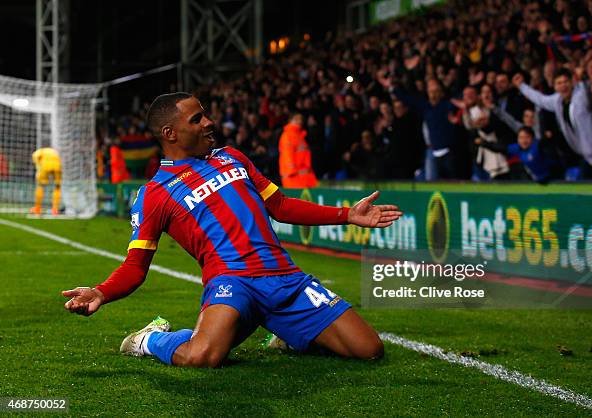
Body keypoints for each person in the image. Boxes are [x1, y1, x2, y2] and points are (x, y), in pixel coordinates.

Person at [62, 93, 402, 368]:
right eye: (197, 119)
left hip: (285, 277)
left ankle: (287, 331)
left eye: (205, 114)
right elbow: (136, 266)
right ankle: (149, 339)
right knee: (201, 356)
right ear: (170, 133)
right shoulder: (154, 194)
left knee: (368, 349)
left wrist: (347, 214)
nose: (209, 122)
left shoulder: (233, 157)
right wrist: (101, 292)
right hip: (232, 283)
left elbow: (281, 206)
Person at [513, 70, 592, 179]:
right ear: (554, 86)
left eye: (565, 82)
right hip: (587, 157)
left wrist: (584, 76)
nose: (563, 86)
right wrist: (521, 86)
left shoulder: (581, 95)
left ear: (572, 83)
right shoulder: (557, 101)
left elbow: (587, 85)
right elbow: (540, 99)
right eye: (559, 83)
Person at [278, 113, 318, 188]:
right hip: (294, 178)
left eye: (300, 119)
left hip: (303, 177)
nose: (299, 121)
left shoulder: (300, 135)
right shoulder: (288, 135)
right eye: (296, 119)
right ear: (290, 120)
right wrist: (292, 173)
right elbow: (287, 155)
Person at [31, 147, 62, 215]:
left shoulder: (38, 152)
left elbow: (36, 158)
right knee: (57, 186)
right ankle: (55, 210)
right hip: (57, 165)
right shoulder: (54, 151)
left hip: (45, 165)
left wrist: (38, 171)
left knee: (40, 185)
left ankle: (37, 208)